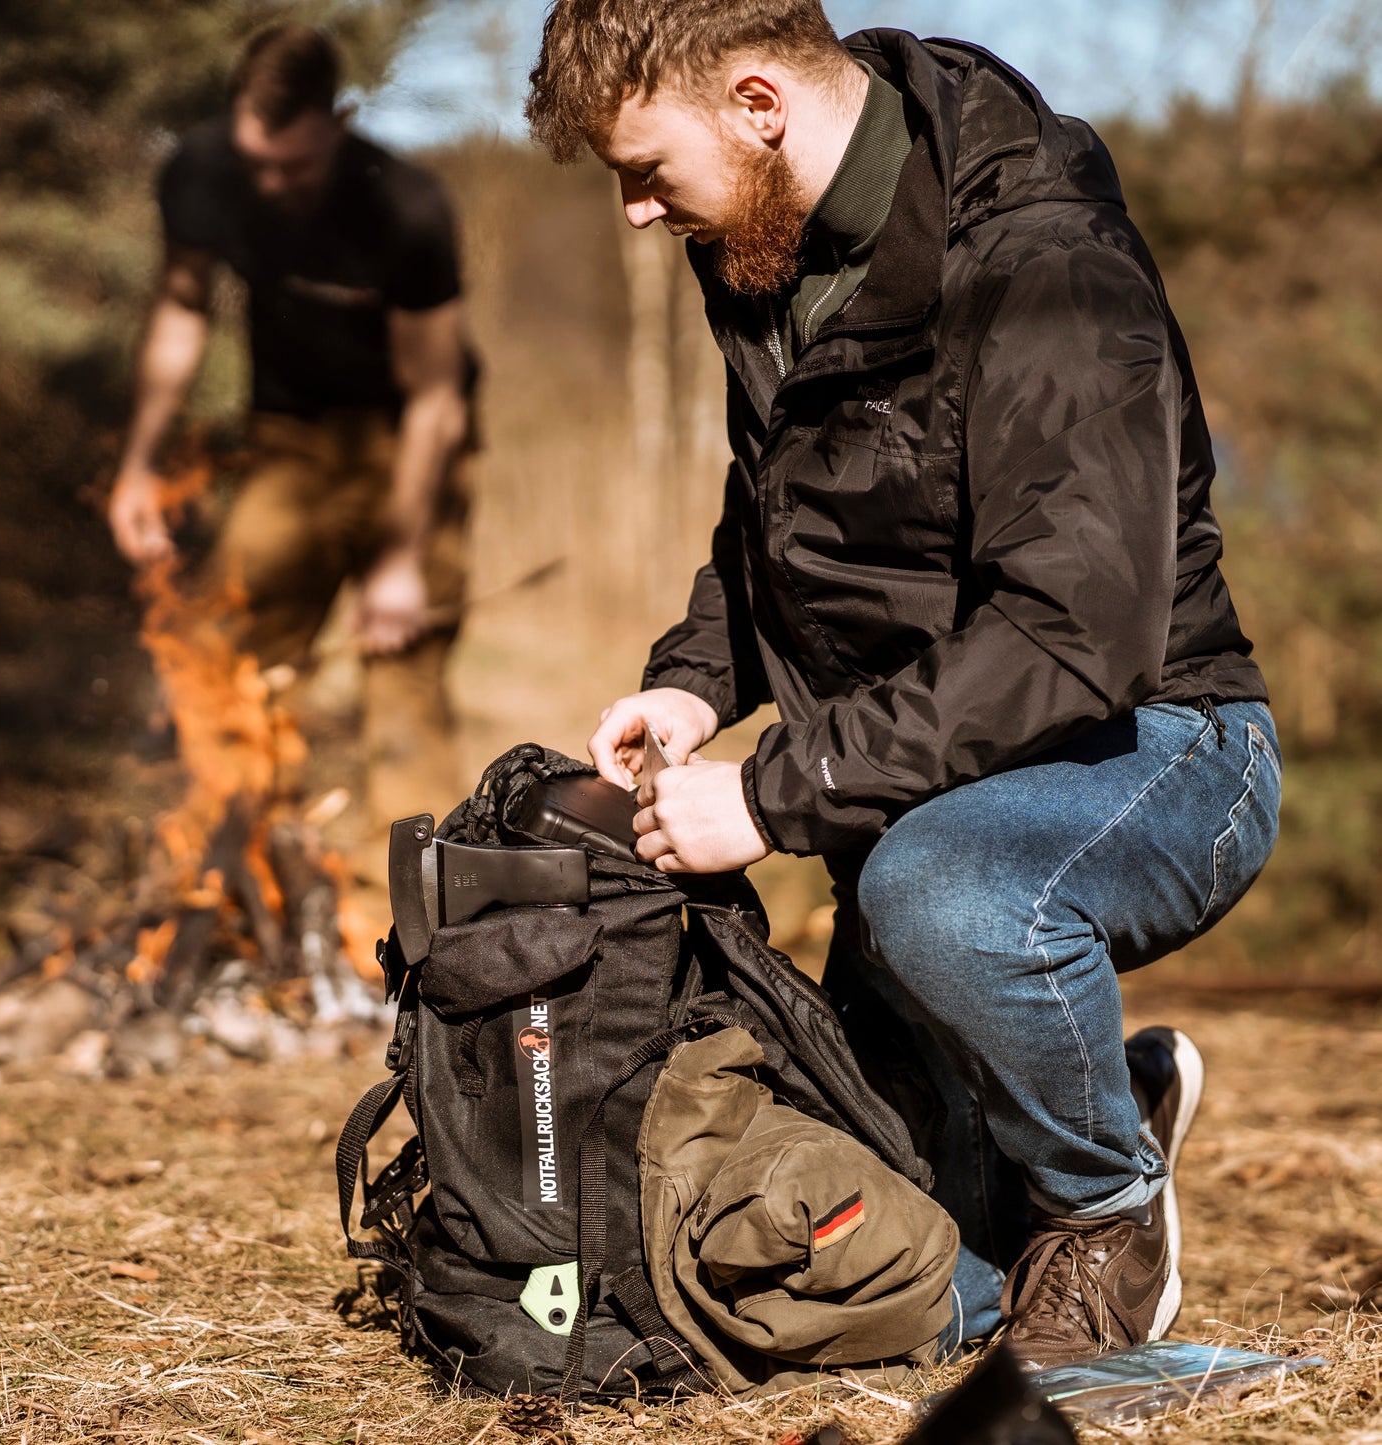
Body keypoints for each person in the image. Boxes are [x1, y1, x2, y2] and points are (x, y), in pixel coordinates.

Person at [526, 1, 1282, 1368]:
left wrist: (770, 791)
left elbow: (1074, 632)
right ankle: (1098, 1088)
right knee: (905, 1276)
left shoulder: (1045, 258)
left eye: (645, 170)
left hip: (1166, 744)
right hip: (932, 782)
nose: (636, 212)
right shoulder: (760, 238)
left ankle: (1107, 1204)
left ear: (759, 105)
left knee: (935, 896)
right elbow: (778, 516)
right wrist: (700, 683)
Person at [109, 23, 475, 831]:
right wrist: (139, 465)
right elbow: (180, 310)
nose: (270, 184)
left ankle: (427, 927)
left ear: (339, 122)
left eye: (295, 166)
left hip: (410, 441)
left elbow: (436, 395)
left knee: (402, 684)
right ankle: (239, 875)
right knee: (236, 657)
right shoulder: (203, 172)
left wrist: (402, 558)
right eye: (257, 163)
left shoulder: (404, 204)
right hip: (288, 438)